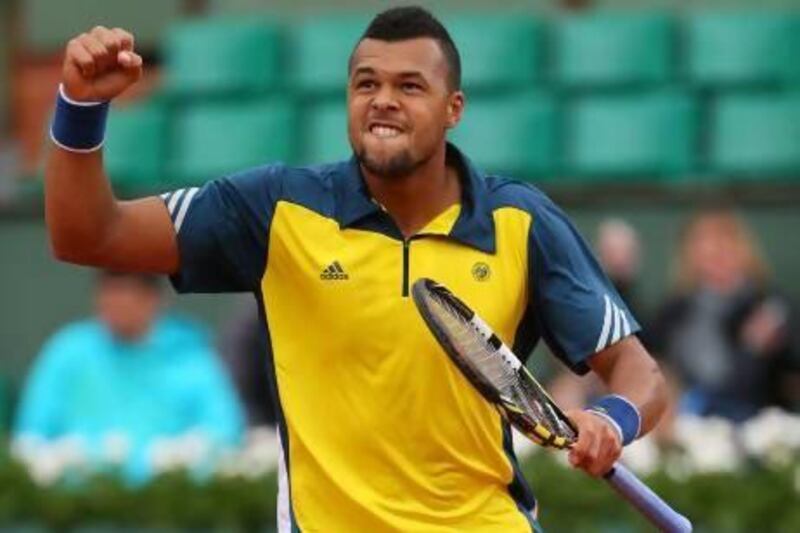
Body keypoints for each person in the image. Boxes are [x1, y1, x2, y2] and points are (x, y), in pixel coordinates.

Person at [44, 6, 667, 531]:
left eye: (409, 86)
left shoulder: (521, 222)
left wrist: (613, 420)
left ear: (454, 108)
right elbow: (87, 235)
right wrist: (78, 107)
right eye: (366, 84)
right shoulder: (276, 209)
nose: (383, 102)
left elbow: (640, 374)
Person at [13, 271, 244, 483]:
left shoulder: (192, 359)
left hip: (168, 506)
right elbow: (33, 433)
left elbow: (224, 432)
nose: (117, 303)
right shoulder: (67, 352)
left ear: (155, 299)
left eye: (128, 292)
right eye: (109, 292)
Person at [651, 209, 800, 422]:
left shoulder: (769, 304)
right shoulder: (673, 311)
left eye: (725, 242)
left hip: (763, 425)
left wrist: (758, 349)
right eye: (705, 246)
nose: (717, 252)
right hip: (692, 426)